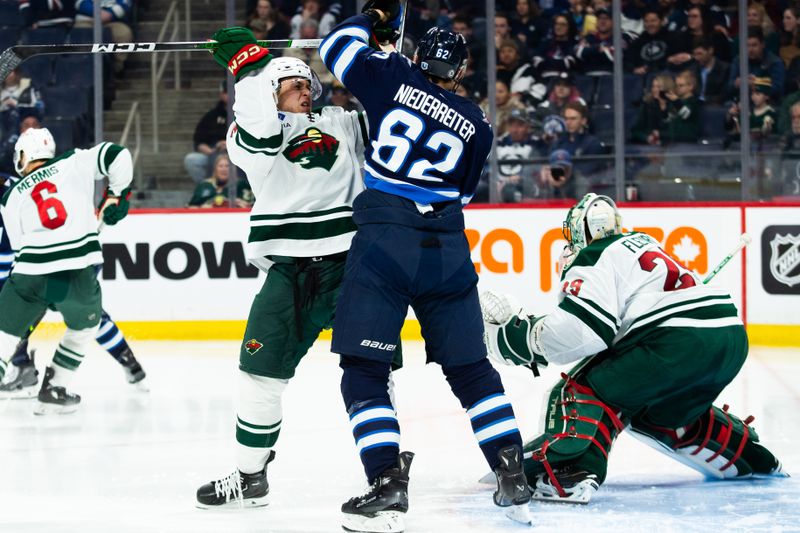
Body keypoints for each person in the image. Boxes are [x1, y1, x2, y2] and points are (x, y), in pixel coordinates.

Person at [319, 3, 532, 531]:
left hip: (386, 240)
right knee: (471, 369)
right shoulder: (479, 122)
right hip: (445, 246)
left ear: (416, 56)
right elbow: (461, 190)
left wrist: (373, 21)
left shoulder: (391, 75)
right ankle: (511, 470)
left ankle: (388, 482)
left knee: (364, 373)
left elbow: (334, 48)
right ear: (459, 73)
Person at [193, 28, 393, 510]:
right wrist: (250, 66)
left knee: (373, 372)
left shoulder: (341, 121)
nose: (307, 91)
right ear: (271, 90)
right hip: (289, 271)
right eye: (294, 85)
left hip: (351, 263)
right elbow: (259, 122)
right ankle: (250, 475)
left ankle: (387, 478)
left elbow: (392, 116)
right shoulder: (249, 135)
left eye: (309, 85)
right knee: (259, 373)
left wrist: (382, 56)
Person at [480, 193, 787, 504]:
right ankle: (751, 458)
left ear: (580, 230)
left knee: (579, 390)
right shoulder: (642, 243)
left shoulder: (594, 254)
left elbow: (582, 331)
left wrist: (520, 338)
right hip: (729, 337)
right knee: (659, 413)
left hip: (674, 342)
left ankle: (571, 475)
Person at [0, 128, 133, 413]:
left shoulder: (10, 196)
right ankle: (54, 388)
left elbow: (18, 246)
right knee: (84, 326)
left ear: (25, 155)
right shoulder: (74, 161)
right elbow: (117, 154)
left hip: (29, 274)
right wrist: (117, 194)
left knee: (3, 334)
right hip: (74, 272)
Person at [183, 82, 229, 184]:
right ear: (221, 94)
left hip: (239, 155)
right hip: (214, 155)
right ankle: (208, 188)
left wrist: (230, 145)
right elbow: (198, 141)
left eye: (232, 91)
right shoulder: (211, 116)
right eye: (226, 92)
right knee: (191, 160)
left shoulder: (246, 114)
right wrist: (212, 150)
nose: (229, 95)